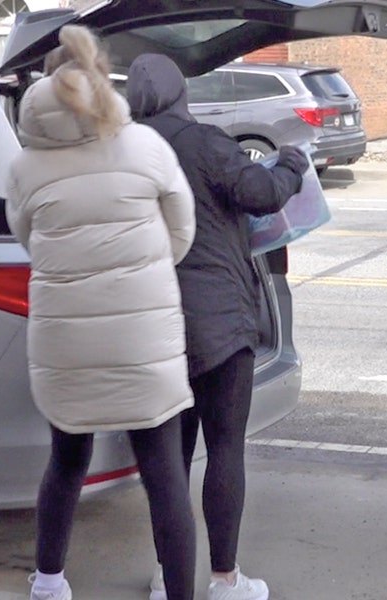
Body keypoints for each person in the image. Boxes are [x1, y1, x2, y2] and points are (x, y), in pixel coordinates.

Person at [5, 26, 198, 600]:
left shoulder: (24, 166)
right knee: (164, 475)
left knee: (66, 460)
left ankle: (48, 582)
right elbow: (181, 234)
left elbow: (27, 241)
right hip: (143, 336)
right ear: (100, 78)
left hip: (66, 340)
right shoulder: (146, 147)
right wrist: (138, 271)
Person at [126, 53, 311, 600]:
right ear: (181, 93)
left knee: (170, 457)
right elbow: (263, 193)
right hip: (220, 325)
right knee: (225, 447)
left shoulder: (123, 153)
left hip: (150, 323)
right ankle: (225, 580)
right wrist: (293, 164)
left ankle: (168, 575)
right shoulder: (205, 143)